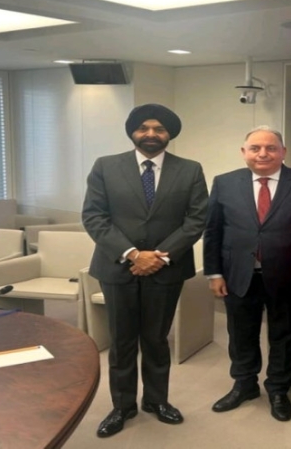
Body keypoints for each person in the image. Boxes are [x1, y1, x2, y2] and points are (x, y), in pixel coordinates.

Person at [82, 104, 208, 438]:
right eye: (144, 128)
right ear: (132, 132)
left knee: (155, 339)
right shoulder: (106, 166)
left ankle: (156, 401)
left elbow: (196, 219)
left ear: (169, 134)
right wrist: (133, 254)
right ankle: (122, 406)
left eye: (159, 129)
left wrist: (159, 257)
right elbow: (94, 216)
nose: (151, 134)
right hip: (117, 268)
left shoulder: (190, 170)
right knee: (122, 341)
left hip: (166, 270)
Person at [204, 126, 291, 422]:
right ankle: (244, 384)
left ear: (283, 152)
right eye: (255, 148)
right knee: (240, 333)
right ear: (243, 152)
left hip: (290, 276)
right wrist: (214, 273)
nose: (263, 154)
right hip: (237, 274)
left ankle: (279, 389)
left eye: (271, 148)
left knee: (286, 334)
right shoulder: (224, 182)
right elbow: (213, 231)